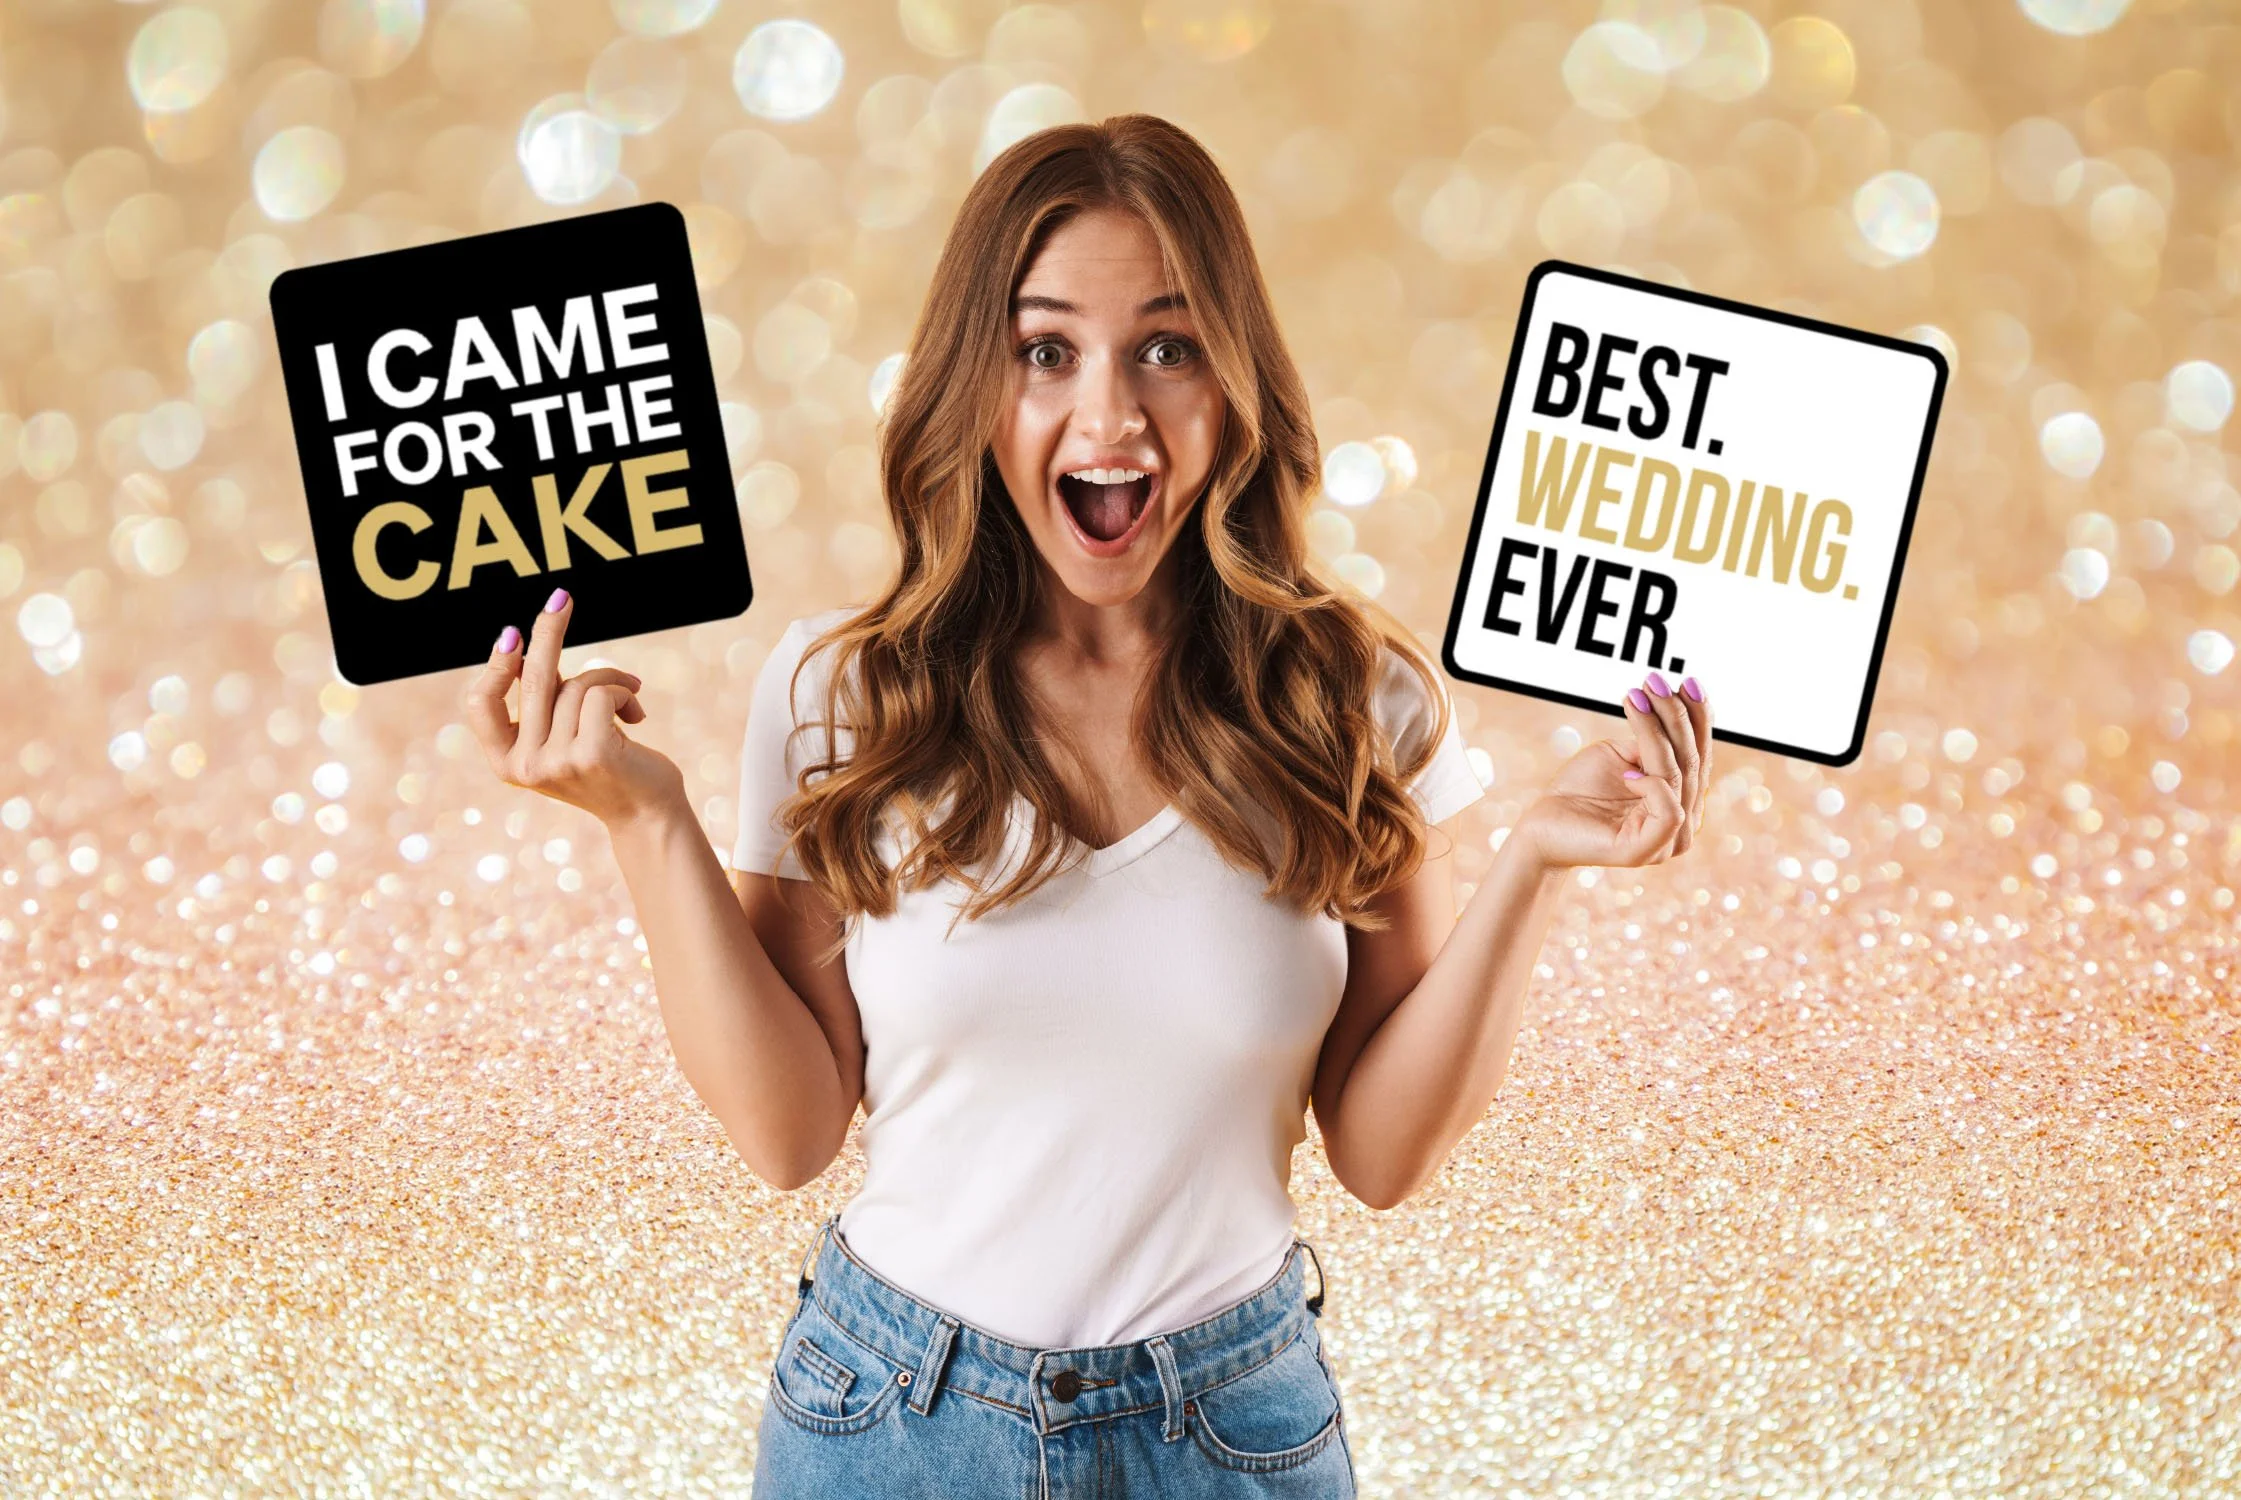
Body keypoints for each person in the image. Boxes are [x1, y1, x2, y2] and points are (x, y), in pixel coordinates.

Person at [461, 114, 1711, 1498]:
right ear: (972, 386)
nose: (1109, 417)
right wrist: (645, 822)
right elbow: (790, 1128)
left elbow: (1379, 1150)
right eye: (1046, 351)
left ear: (1233, 385)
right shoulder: (842, 691)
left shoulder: (1352, 700)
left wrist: (1536, 865)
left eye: (1166, 348)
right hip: (889, 1423)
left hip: (1233, 1434)